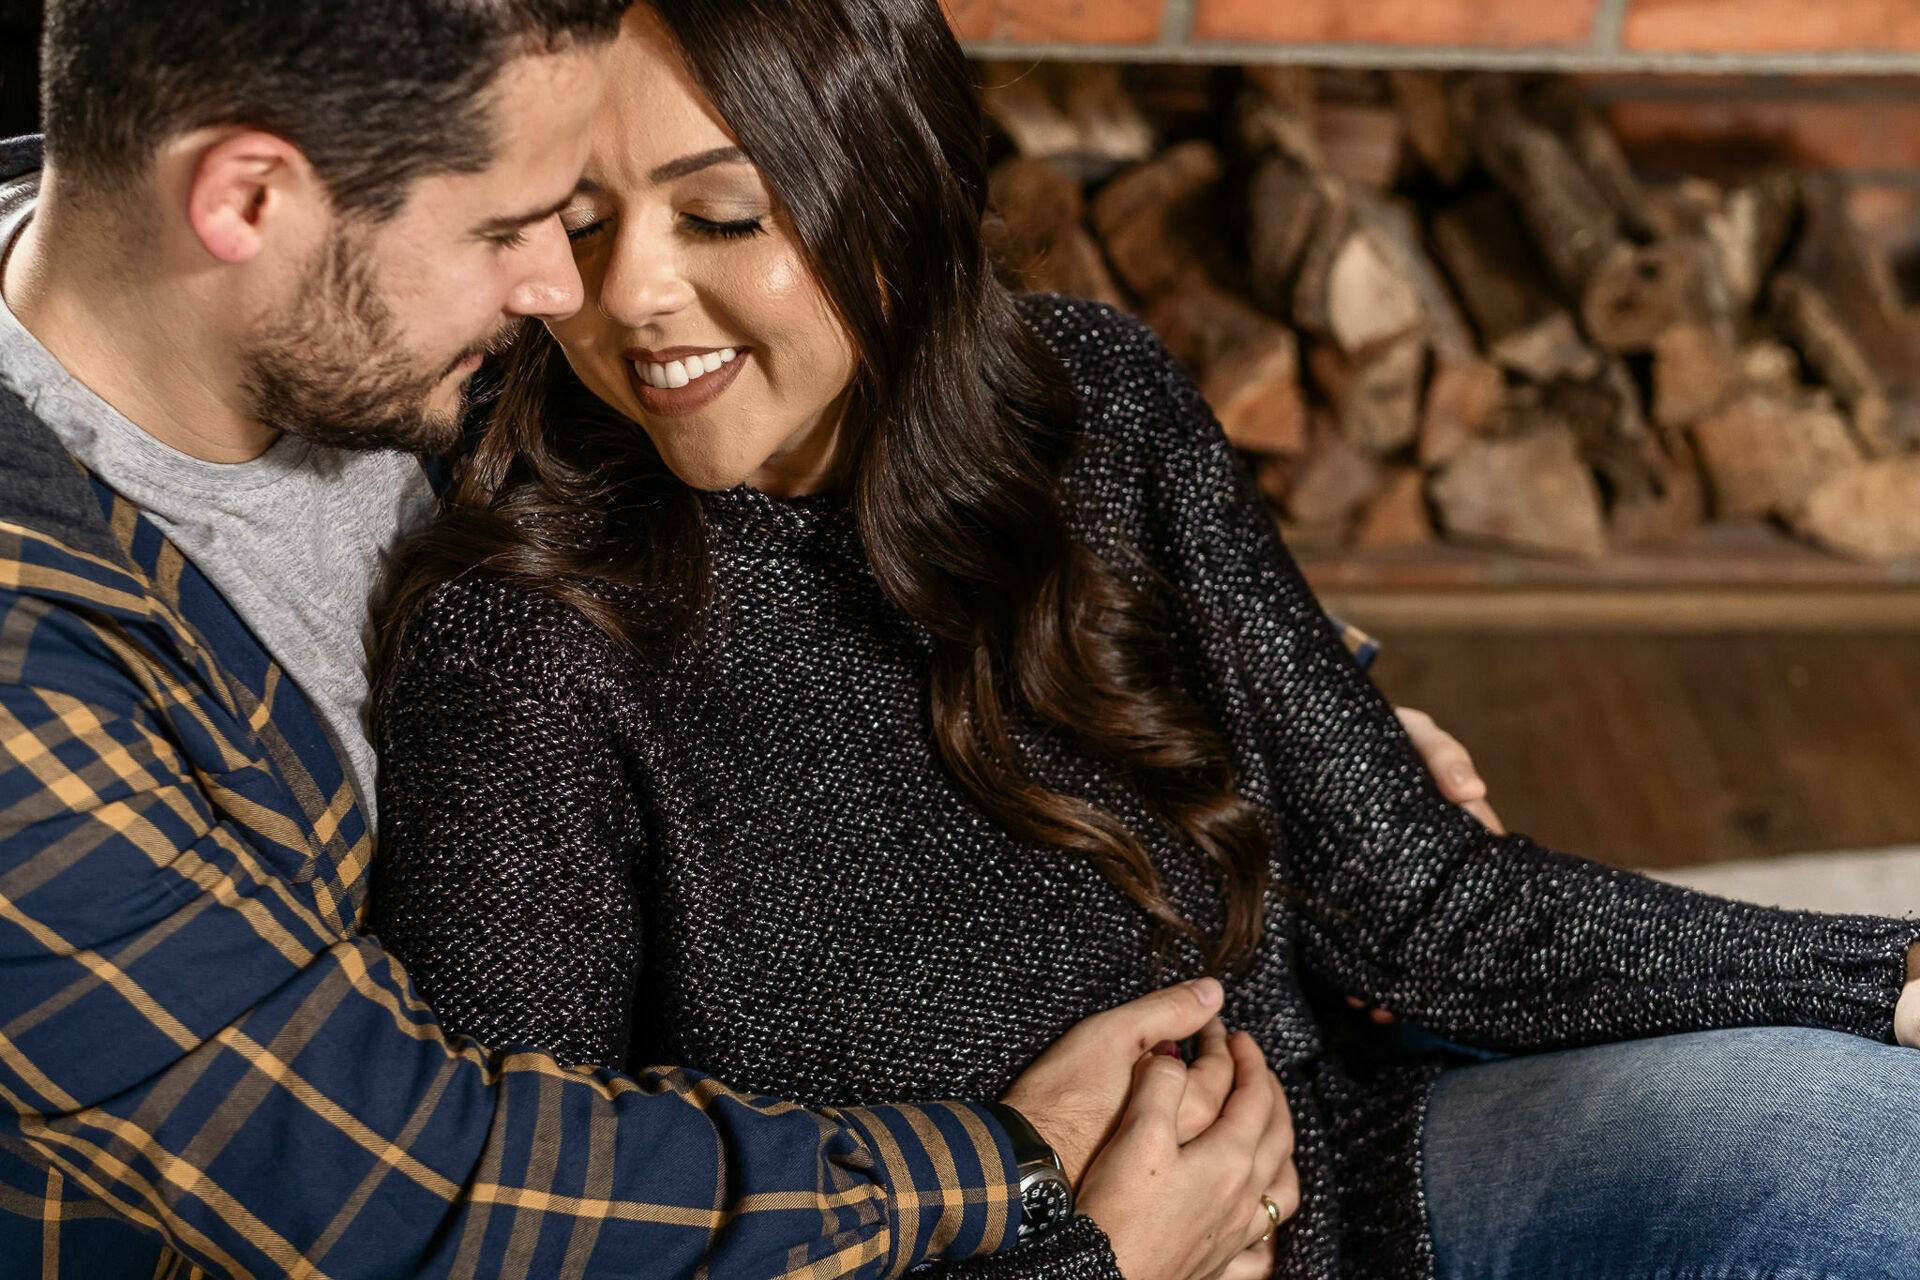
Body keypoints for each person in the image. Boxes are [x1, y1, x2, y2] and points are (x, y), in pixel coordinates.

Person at [368, 3, 1920, 1279]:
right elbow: (542, 1243)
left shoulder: (1089, 402)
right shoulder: (521, 651)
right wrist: (1090, 1254)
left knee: (1865, 1150)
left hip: (1359, 1192)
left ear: (883, 197)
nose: (631, 293)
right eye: (579, 223)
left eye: (719, 215)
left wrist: (1886, 973)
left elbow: (1424, 904)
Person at [0, 2, 1353, 1275]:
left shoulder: (330, 318)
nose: (564, 288)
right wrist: (1027, 1179)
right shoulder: (27, 675)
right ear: (245, 198)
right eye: (511, 229)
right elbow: (414, 1193)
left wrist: (1251, 709)